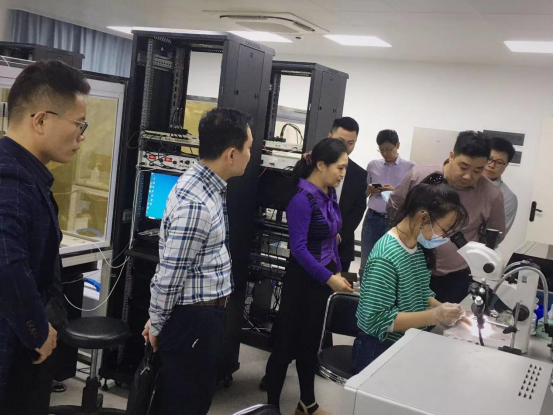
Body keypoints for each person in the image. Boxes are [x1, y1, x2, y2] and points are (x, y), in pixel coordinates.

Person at [141, 108, 253, 415]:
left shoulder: (207, 186)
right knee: (184, 404)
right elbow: (170, 273)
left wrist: (158, 318)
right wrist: (157, 324)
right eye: (248, 148)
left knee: (194, 397)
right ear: (231, 154)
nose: (250, 155)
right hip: (193, 320)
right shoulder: (196, 203)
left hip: (202, 316)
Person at [0, 60, 90, 413]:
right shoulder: (12, 180)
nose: (82, 136)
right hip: (11, 353)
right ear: (40, 120)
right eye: (79, 124)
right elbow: (6, 261)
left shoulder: (21, 172)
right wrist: (37, 329)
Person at [266, 138, 354, 415]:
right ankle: (271, 408)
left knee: (310, 345)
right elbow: (299, 249)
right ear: (321, 165)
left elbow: (333, 237)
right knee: (284, 347)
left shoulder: (330, 194)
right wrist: (328, 278)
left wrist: (337, 270)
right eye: (340, 168)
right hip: (301, 282)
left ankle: (307, 404)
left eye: (345, 168)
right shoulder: (301, 200)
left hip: (322, 279)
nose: (343, 174)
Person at [353, 174, 470, 374]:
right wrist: (435, 316)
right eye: (444, 230)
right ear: (423, 217)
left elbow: (420, 292)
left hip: (403, 342)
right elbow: (378, 320)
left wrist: (446, 310)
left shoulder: (415, 246)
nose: (445, 237)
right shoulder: (386, 256)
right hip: (378, 349)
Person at [387, 131, 506, 304]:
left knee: (445, 318)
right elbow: (394, 208)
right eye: (463, 167)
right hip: (408, 267)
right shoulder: (419, 176)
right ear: (451, 156)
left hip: (454, 276)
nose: (468, 176)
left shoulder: (491, 194)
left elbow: (493, 236)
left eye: (477, 170)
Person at [360, 130, 415, 276]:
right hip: (372, 218)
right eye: (381, 150)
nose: (385, 153)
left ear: (397, 145)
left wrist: (395, 192)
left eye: (389, 149)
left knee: (391, 261)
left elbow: (414, 198)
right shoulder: (373, 165)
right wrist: (369, 190)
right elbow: (362, 193)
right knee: (366, 259)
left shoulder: (410, 167)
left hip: (396, 220)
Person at [328, 117, 368, 272]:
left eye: (350, 143)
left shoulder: (359, 175)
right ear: (330, 136)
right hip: (309, 244)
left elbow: (358, 210)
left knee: (339, 284)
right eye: (340, 141)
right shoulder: (311, 166)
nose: (344, 147)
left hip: (341, 247)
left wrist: (339, 235)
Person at [483, 136, 518, 235]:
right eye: (489, 159)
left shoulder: (507, 197)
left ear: (505, 166)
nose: (491, 165)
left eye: (499, 162)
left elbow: (496, 236)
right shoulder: (465, 181)